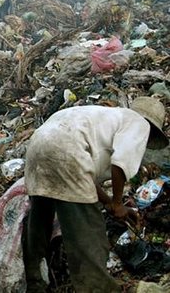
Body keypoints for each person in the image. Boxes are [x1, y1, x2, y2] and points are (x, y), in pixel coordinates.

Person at [22, 96, 169, 292]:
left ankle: (35, 280)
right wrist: (118, 204)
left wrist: (109, 203)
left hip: (37, 147)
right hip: (68, 152)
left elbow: (85, 178)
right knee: (89, 231)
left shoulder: (105, 117)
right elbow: (120, 164)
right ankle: (97, 288)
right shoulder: (139, 123)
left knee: (40, 219)